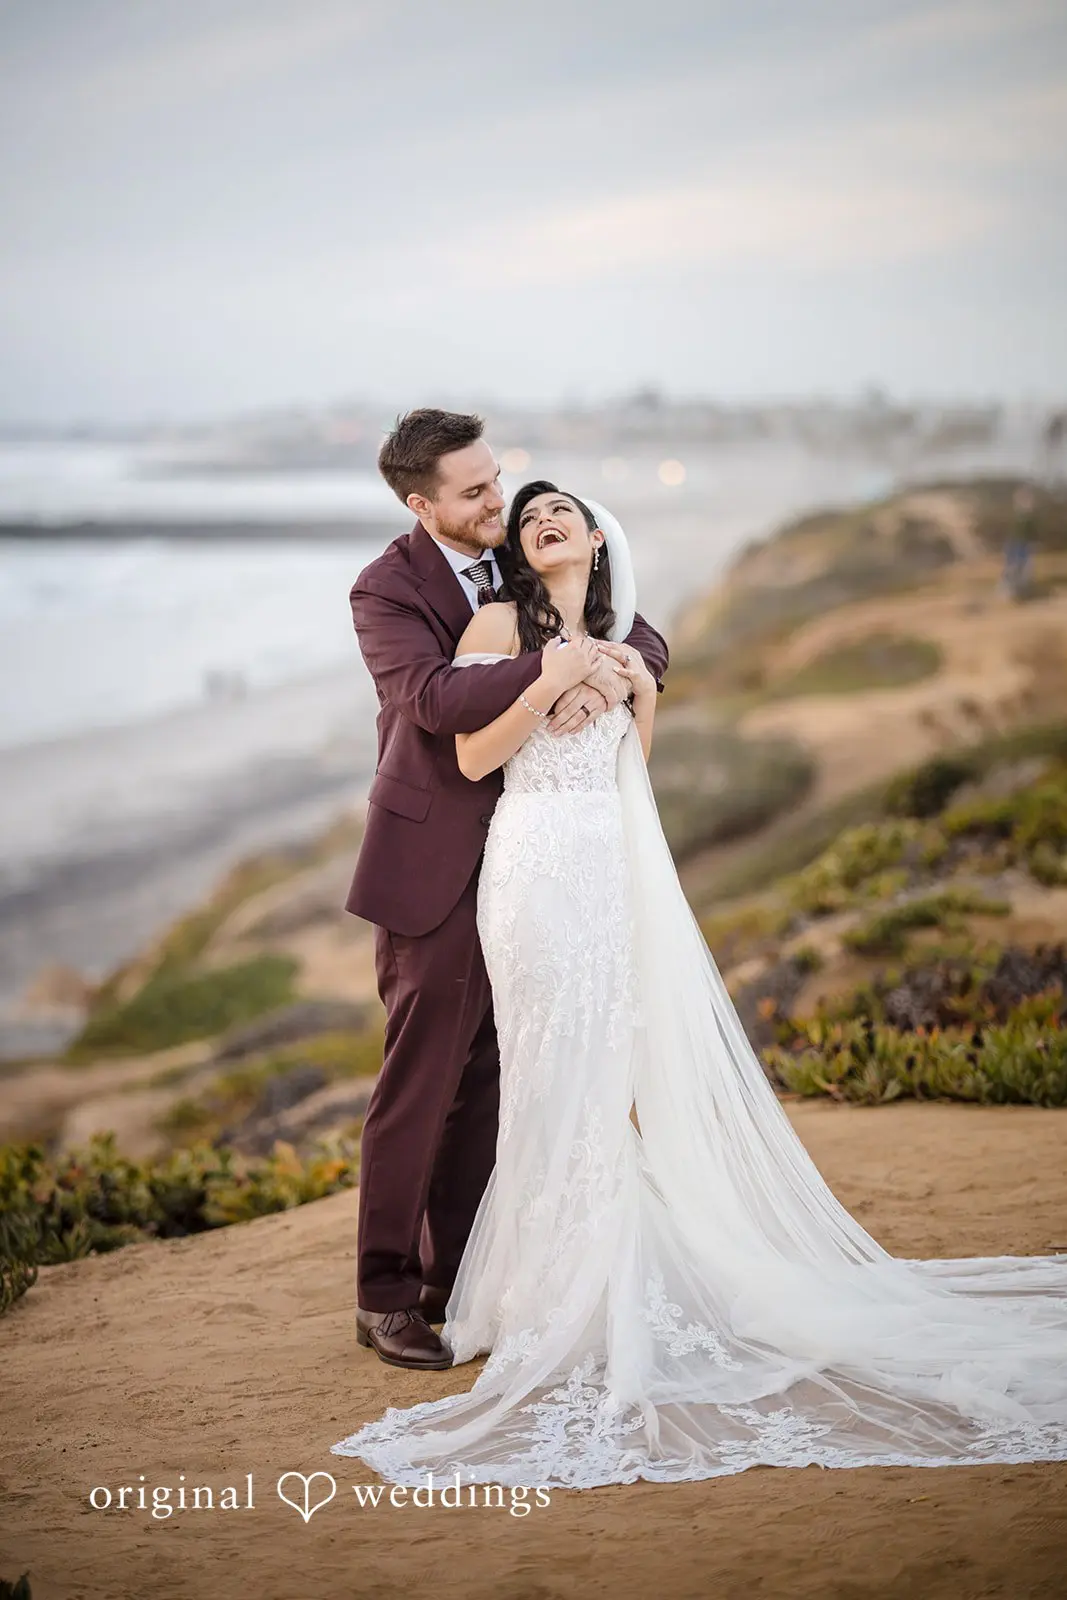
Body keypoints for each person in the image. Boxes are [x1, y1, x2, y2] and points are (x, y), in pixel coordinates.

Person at [333, 479, 1067, 1489]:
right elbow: (470, 754)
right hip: (527, 868)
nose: (538, 520)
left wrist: (622, 683)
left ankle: (583, 1277)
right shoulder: (498, 619)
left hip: (600, 863)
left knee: (594, 1067)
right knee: (536, 1068)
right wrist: (546, 681)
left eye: (560, 515)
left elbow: (630, 769)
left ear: (595, 541)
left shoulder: (634, 642)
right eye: (525, 513)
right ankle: (520, 1287)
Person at [345, 411, 668, 1372]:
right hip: (437, 863)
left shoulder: (526, 553)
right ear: (421, 504)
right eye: (475, 491)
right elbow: (434, 700)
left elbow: (636, 628)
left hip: (544, 855)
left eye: (497, 479)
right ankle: (386, 1293)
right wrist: (547, 674)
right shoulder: (385, 589)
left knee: (499, 1074)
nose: (499, 500)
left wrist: (612, 677)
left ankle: (463, 1277)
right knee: (424, 1079)